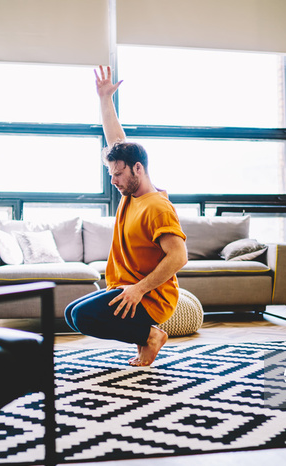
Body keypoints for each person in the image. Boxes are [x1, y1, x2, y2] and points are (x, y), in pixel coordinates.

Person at [64, 65, 188, 367]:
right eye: (110, 174)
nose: (113, 180)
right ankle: (146, 338)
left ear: (138, 169)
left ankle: (151, 336)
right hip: (124, 287)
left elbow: (179, 257)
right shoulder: (131, 193)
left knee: (82, 316)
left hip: (151, 297)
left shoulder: (157, 206)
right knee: (71, 313)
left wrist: (139, 289)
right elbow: (115, 140)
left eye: (118, 173)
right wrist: (105, 99)